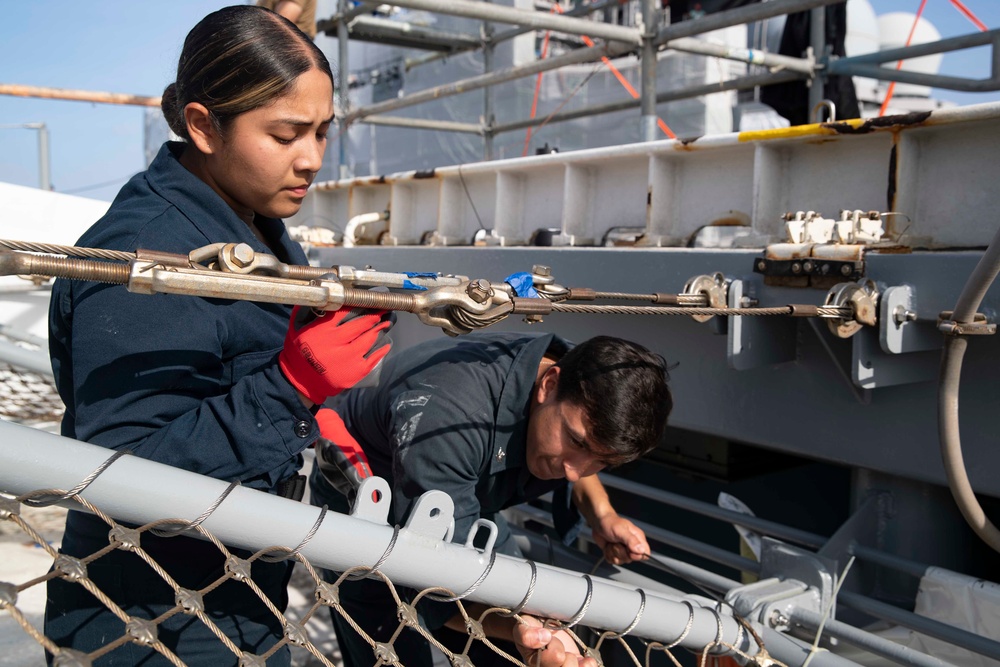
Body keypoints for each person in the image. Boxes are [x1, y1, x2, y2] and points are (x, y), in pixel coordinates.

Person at [44, 6, 390, 665]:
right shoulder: (145, 252)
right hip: (147, 623)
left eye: (322, 131)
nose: (312, 158)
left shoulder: (250, 224)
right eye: (287, 134)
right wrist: (290, 388)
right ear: (204, 125)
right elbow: (119, 475)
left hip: (241, 596)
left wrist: (317, 415)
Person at [309, 331, 673, 667]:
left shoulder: (588, 376)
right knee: (388, 647)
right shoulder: (450, 416)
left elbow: (585, 454)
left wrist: (601, 514)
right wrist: (524, 628)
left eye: (603, 462)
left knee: (517, 636)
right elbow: (430, 585)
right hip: (370, 498)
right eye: (576, 443)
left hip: (464, 494)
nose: (576, 471)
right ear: (549, 384)